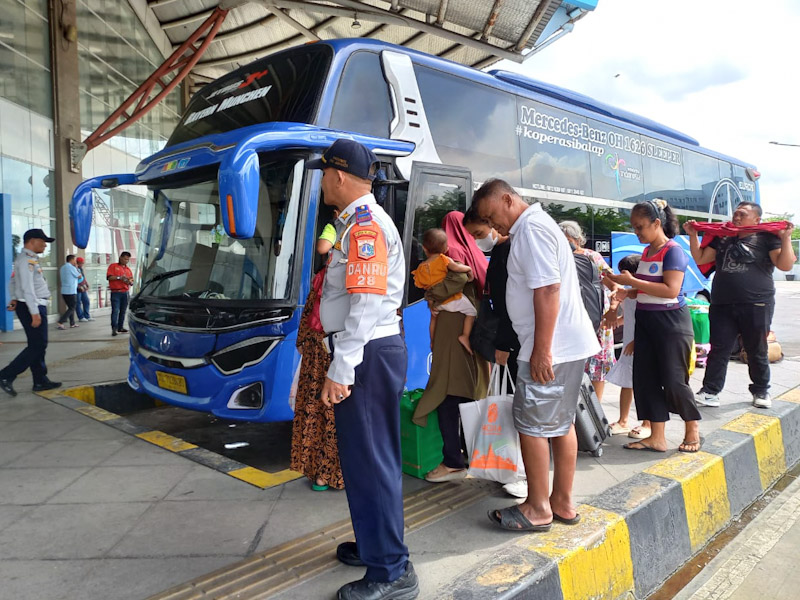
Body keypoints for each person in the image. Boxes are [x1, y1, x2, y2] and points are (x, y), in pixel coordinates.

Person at [308, 139, 418, 599]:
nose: (322, 183)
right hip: (367, 351)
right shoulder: (352, 224)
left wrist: (342, 367)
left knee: (372, 462)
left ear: (337, 176)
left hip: (367, 352)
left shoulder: (366, 228)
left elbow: (365, 304)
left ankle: (391, 571)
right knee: (363, 460)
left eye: (323, 175)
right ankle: (376, 544)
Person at [475, 179, 599, 532]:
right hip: (565, 346)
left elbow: (547, 289)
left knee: (531, 426)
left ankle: (538, 508)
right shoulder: (538, 226)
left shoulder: (530, 229)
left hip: (550, 348)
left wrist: (542, 350)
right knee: (561, 425)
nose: (493, 224)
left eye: (491, 214)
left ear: (507, 198)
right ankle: (560, 502)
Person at [606, 199, 702, 453]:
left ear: (656, 223)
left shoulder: (673, 251)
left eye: (640, 227)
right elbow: (646, 291)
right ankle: (656, 437)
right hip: (646, 321)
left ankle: (692, 428)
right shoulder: (647, 252)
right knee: (645, 379)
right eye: (634, 227)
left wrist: (632, 282)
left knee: (673, 380)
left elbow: (671, 289)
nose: (636, 232)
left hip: (671, 322)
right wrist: (626, 289)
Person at [684, 203, 796, 409]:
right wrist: (692, 235)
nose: (736, 217)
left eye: (742, 214)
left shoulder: (767, 238)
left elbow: (785, 265)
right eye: (735, 213)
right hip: (722, 303)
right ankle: (710, 391)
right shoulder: (723, 236)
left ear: (756, 219)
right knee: (719, 349)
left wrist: (786, 237)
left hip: (757, 302)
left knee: (756, 349)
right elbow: (700, 257)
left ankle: (761, 390)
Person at [412, 211, 490, 484]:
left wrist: (431, 297)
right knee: (466, 394)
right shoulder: (470, 252)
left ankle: (453, 460)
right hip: (466, 330)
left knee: (448, 394)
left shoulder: (451, 254)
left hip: (451, 332)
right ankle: (468, 454)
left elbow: (454, 282)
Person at [463, 206, 525, 498]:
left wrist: (504, 345)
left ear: (493, 225)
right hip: (509, 338)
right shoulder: (501, 252)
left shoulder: (510, 251)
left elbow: (509, 307)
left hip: (513, 341)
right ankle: (510, 465)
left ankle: (522, 473)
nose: (477, 240)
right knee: (511, 407)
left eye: (478, 233)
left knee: (517, 409)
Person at [290, 208, 344, 492]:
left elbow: (307, 320)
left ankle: (315, 471)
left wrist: (303, 343)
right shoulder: (352, 278)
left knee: (314, 410)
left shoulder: (321, 279)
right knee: (336, 415)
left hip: (315, 353)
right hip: (336, 356)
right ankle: (331, 473)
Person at [559, 221, 619, 401]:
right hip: (572, 319)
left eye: (567, 240)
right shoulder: (559, 258)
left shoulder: (592, 257)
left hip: (598, 319)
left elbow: (614, 284)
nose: (566, 244)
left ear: (577, 239)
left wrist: (613, 309)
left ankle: (596, 409)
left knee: (597, 367)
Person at [0, 229, 62, 396]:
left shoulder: (27, 259)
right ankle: (6, 375)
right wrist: (34, 312)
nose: (44, 245)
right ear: (32, 241)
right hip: (31, 306)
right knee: (38, 345)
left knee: (38, 345)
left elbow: (13, 281)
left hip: (29, 305)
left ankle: (40, 380)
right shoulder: (26, 260)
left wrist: (13, 297)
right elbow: (27, 288)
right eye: (43, 241)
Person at [603, 254, 651, 438]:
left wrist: (635, 341)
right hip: (629, 344)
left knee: (645, 383)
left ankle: (647, 422)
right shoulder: (631, 292)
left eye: (624, 272)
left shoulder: (645, 294)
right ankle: (623, 420)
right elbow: (629, 316)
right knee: (627, 383)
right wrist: (614, 321)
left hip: (640, 342)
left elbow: (647, 322)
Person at [413, 228, 476, 354]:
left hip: (436, 303)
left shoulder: (420, 268)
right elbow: (457, 268)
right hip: (453, 299)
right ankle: (465, 336)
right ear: (446, 248)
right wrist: (468, 269)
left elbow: (419, 284)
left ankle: (433, 341)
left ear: (424, 248)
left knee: (433, 319)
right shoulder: (444, 260)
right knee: (472, 312)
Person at [107, 252, 133, 337]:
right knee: (115, 310)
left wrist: (129, 281)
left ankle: (120, 327)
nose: (126, 261)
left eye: (128, 259)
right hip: (116, 292)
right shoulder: (113, 266)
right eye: (125, 259)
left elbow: (132, 281)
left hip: (125, 292)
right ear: (120, 257)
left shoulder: (128, 270)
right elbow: (109, 277)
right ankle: (114, 328)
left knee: (123, 311)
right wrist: (119, 278)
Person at [56, 255, 82, 330]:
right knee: (72, 307)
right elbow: (79, 276)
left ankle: (72, 323)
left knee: (70, 307)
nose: (75, 261)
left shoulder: (63, 267)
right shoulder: (71, 267)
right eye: (74, 260)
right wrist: (77, 268)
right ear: (71, 260)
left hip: (64, 291)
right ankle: (61, 321)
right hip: (71, 290)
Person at [75, 257, 93, 322]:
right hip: (77, 287)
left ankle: (87, 315)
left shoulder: (80, 269)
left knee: (86, 301)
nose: (82, 264)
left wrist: (86, 283)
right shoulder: (75, 269)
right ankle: (80, 317)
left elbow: (83, 277)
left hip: (83, 286)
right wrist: (78, 286)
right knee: (78, 302)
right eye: (81, 263)